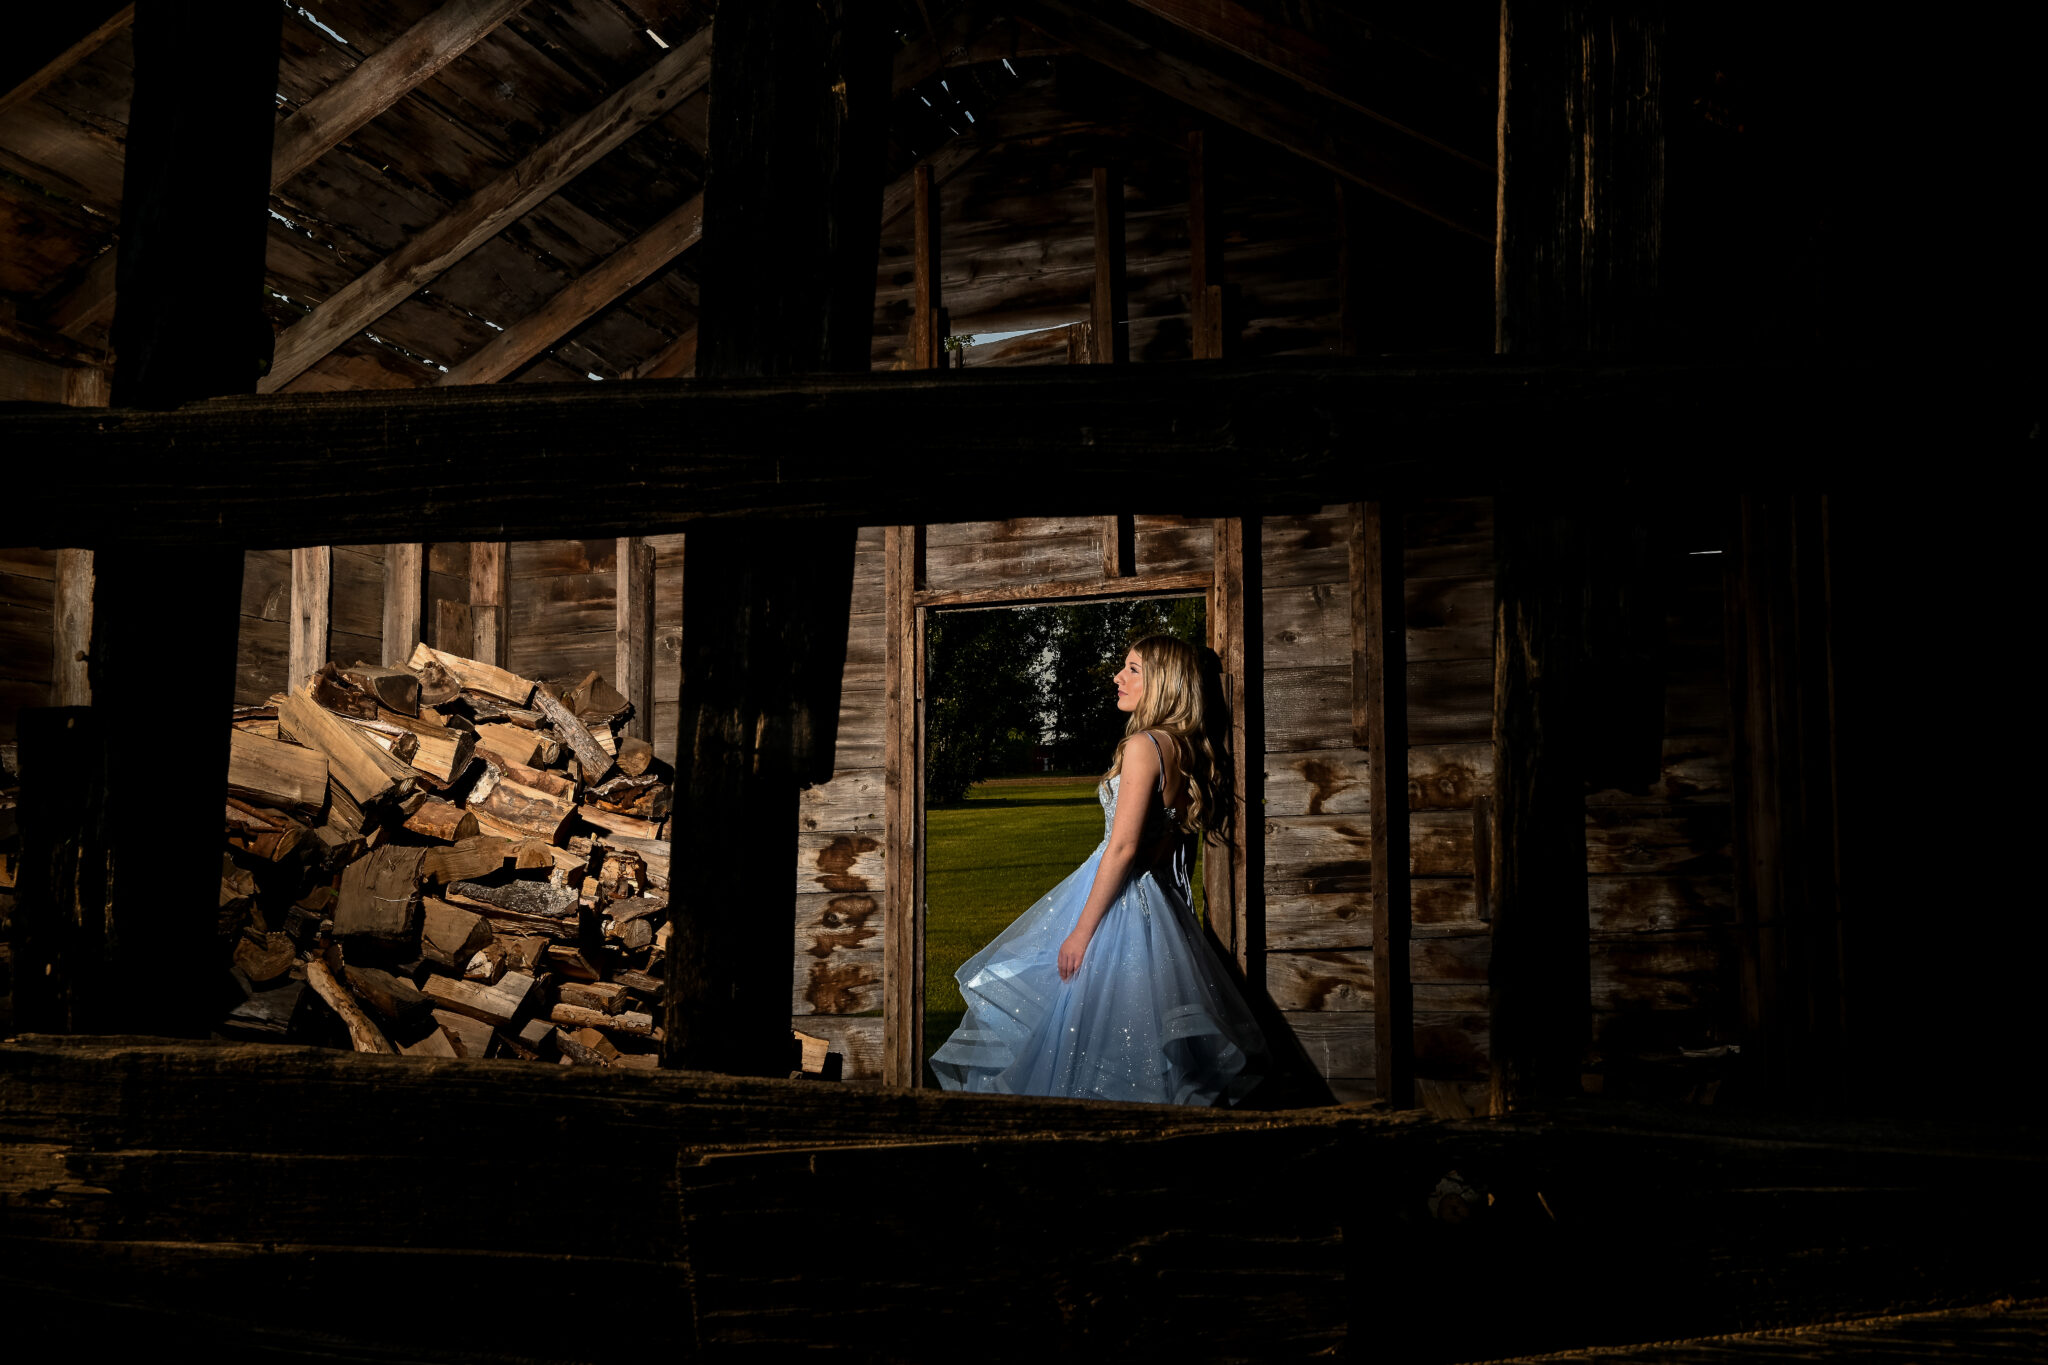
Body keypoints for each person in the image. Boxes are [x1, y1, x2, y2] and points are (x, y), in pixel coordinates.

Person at [930, 634, 1265, 1104]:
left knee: (1082, 1032)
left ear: (1163, 683)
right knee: (1138, 1038)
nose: (1117, 677)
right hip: (1156, 904)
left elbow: (1123, 846)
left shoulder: (1145, 746)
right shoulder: (1184, 749)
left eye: (1132, 669)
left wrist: (1081, 933)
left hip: (1119, 905)